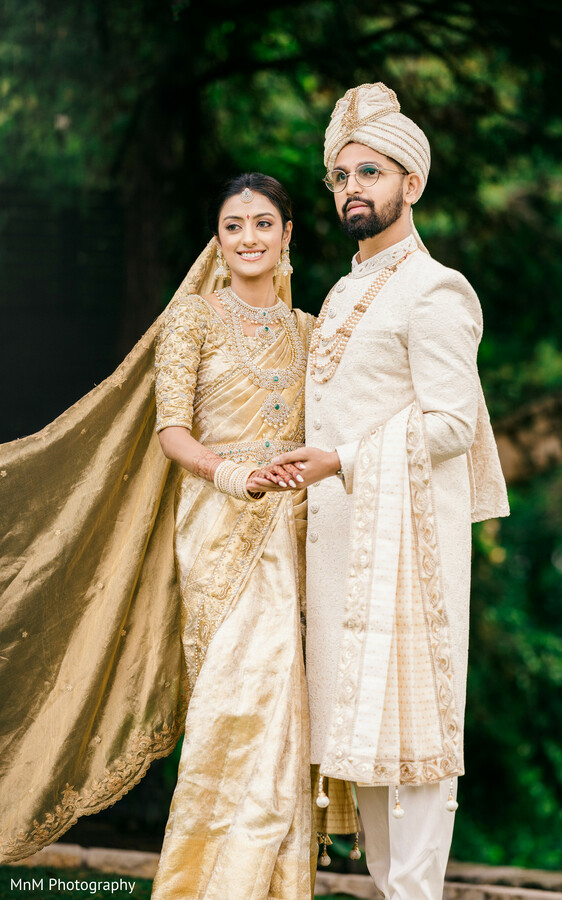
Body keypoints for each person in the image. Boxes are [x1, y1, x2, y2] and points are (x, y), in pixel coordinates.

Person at [0, 172, 331, 900]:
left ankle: (270, 882)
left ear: (287, 236)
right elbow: (170, 434)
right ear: (217, 240)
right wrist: (232, 476)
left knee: (282, 703)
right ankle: (205, 881)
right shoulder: (194, 321)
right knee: (234, 698)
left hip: (294, 532)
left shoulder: (312, 331)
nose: (248, 237)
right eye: (233, 225)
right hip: (217, 526)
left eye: (262, 224)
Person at [264, 82, 510, 900]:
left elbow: (451, 424)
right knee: (362, 751)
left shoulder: (436, 290)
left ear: (412, 183)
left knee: (409, 758)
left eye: (369, 172)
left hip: (407, 558)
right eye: (338, 177)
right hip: (338, 559)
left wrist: (342, 460)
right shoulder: (338, 294)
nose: (350, 190)